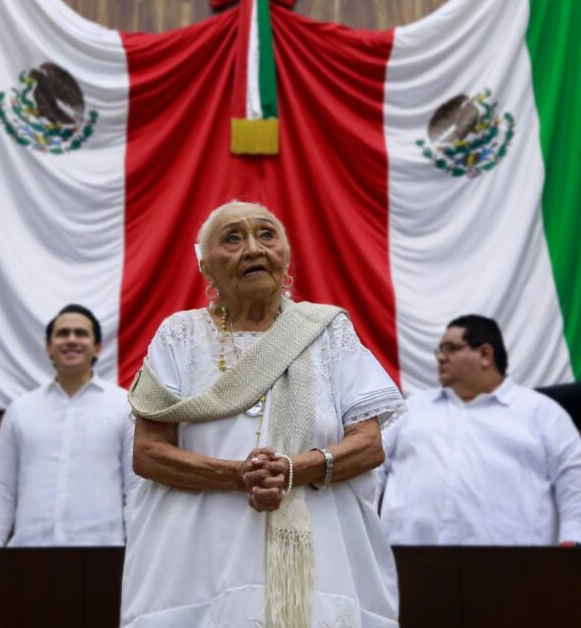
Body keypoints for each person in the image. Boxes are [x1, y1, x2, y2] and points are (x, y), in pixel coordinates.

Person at [122, 200, 404, 628]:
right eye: (233, 238)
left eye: (266, 235)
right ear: (205, 266)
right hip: (196, 562)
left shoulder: (328, 331)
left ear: (286, 256)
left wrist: (294, 470)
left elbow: (368, 446)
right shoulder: (179, 335)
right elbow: (148, 453)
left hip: (322, 559)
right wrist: (236, 476)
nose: (253, 248)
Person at [378, 314, 581, 547]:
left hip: (514, 561)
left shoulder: (541, 412)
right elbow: (373, 466)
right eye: (440, 350)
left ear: (485, 354)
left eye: (450, 348)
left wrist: (572, 539)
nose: (441, 357)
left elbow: (575, 478)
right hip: (406, 556)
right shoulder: (412, 408)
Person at [0, 304, 138, 547]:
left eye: (81, 333)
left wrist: (136, 546)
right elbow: (1, 487)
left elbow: (136, 487)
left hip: (103, 552)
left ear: (97, 347)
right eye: (63, 333)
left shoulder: (123, 405)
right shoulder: (20, 410)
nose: (71, 340)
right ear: (48, 347)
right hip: (29, 552)